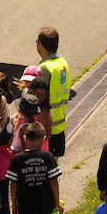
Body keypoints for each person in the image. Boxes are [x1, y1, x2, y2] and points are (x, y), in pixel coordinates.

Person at [36, 27, 71, 157]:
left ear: (41, 45)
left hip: (47, 125)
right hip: (60, 122)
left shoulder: (45, 68)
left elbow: (39, 96)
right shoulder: (62, 62)